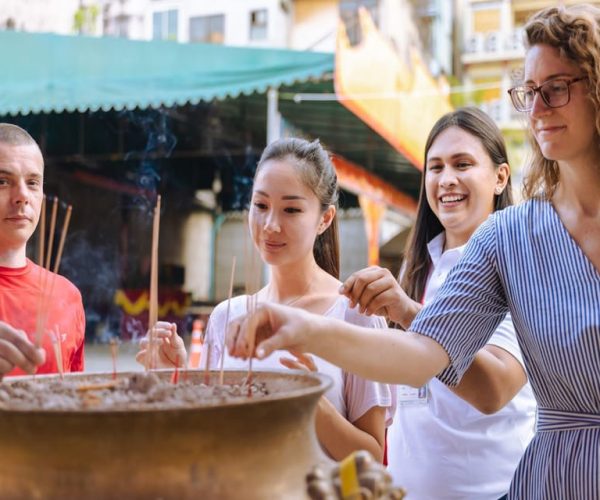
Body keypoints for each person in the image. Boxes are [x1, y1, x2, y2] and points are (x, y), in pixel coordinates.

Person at [227, 5, 600, 498]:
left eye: (556, 89)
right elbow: (424, 353)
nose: (536, 110)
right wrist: (306, 328)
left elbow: (491, 386)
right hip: (558, 479)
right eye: (529, 93)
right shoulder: (510, 238)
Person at [139, 137, 393, 462]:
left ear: (324, 219)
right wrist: (176, 378)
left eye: (291, 209)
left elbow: (373, 458)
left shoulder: (356, 314)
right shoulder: (227, 317)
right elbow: (206, 436)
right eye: (260, 206)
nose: (270, 225)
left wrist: (313, 403)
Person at [340, 107, 536, 499]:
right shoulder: (420, 266)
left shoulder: (519, 260)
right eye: (435, 167)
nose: (447, 180)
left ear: (500, 177)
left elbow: (495, 387)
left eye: (462, 164)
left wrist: (407, 313)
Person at [0, 123, 85, 378]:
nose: (22, 196)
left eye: (33, 182)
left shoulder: (67, 296)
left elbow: (75, 405)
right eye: (3, 181)